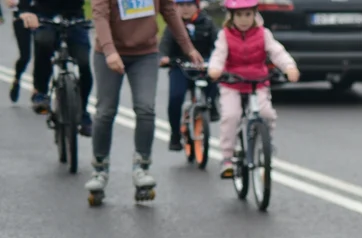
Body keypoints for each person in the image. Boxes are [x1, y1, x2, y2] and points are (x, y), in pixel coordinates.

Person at [85, 0, 203, 201]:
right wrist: (109, 50)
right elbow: (100, 15)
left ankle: (142, 167)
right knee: (106, 111)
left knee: (146, 108)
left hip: (145, 54)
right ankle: (100, 168)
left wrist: (188, 47)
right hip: (109, 52)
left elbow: (168, 10)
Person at [207, 0, 299, 179]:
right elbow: (218, 55)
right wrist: (215, 69)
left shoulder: (263, 34)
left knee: (267, 113)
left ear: (255, 14)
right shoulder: (225, 36)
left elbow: (277, 52)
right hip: (232, 84)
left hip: (257, 83)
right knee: (230, 116)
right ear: (231, 16)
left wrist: (289, 67)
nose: (244, 20)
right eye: (239, 15)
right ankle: (227, 157)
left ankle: (266, 144)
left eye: (248, 15)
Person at [18, 0, 93, 135]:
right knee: (43, 42)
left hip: (74, 17)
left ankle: (82, 111)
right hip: (44, 15)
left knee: (83, 62)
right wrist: (25, 11)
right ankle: (41, 92)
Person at [158, 0, 218, 152]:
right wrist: (163, 58)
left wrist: (216, 59)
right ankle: (175, 134)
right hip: (180, 66)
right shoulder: (172, 26)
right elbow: (163, 47)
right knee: (175, 97)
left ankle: (212, 106)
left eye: (189, 5)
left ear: (196, 6)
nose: (185, 9)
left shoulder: (207, 23)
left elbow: (218, 45)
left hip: (203, 65)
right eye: (181, 5)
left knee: (215, 79)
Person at [7, 0, 33, 103]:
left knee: (45, 53)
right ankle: (17, 79)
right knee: (25, 56)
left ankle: (39, 90)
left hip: (44, 15)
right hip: (21, 16)